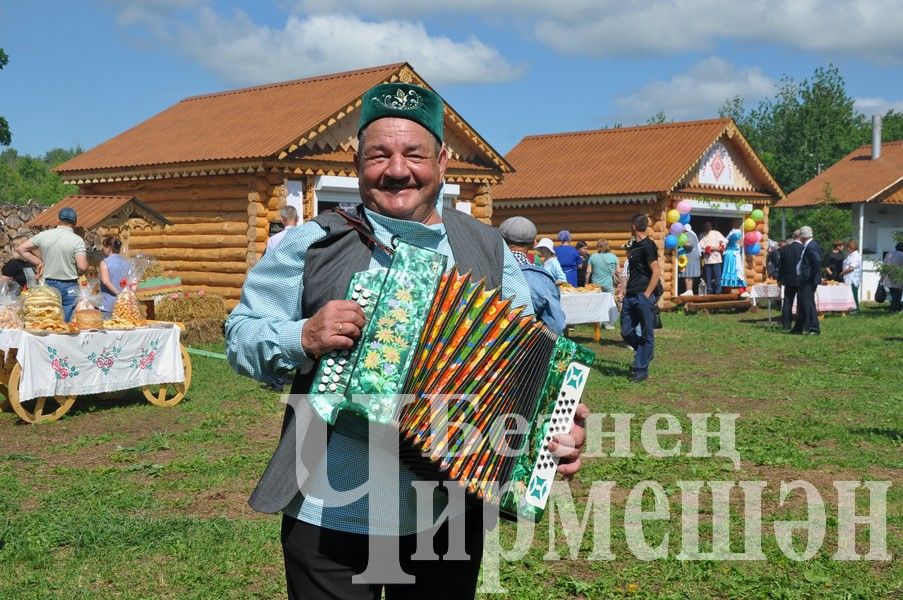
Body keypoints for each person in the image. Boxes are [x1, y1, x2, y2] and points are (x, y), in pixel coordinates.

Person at [225, 82, 588, 599]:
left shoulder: (486, 247)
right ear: (356, 162)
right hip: (331, 508)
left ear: (442, 160)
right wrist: (301, 336)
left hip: (448, 510)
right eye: (379, 154)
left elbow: (532, 366)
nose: (397, 169)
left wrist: (558, 432)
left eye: (414, 153)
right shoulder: (313, 243)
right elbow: (241, 334)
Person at [17, 207, 88, 322]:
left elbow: (21, 248)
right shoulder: (77, 240)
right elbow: (82, 267)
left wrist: (39, 262)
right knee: (68, 321)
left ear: (58, 219)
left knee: (49, 319)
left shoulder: (44, 235)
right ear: (75, 222)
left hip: (48, 284)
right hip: (69, 285)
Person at [498, 216, 566, 334]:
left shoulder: (486, 270)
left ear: (501, 240)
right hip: (528, 348)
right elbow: (556, 325)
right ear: (534, 243)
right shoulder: (542, 278)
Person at [620, 214, 661, 383]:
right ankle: (646, 353)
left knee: (646, 333)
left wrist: (647, 294)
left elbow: (656, 271)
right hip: (630, 294)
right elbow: (632, 271)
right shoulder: (634, 245)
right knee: (626, 331)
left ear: (634, 226)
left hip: (643, 295)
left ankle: (640, 370)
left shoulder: (648, 245)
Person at [586, 239, 620, 330]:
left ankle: (598, 322)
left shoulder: (593, 257)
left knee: (597, 304)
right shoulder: (613, 257)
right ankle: (608, 323)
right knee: (609, 304)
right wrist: (620, 283)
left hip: (596, 285)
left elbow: (588, 272)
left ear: (598, 246)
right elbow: (618, 271)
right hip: (609, 284)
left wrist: (586, 283)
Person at [796, 226, 823, 335]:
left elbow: (817, 261)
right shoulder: (811, 244)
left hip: (808, 280)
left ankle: (814, 328)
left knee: (808, 303)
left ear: (802, 236)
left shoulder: (810, 246)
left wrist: (814, 275)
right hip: (807, 279)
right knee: (804, 302)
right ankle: (802, 326)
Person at [778, 230, 804, 332]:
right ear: (801, 237)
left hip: (788, 280)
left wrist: (779, 279)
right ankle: (799, 325)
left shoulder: (784, 249)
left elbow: (781, 266)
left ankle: (786, 325)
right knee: (801, 303)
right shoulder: (803, 249)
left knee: (787, 302)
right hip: (801, 280)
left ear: (793, 237)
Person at [98, 236, 130, 319]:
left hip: (108, 304)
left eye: (104, 247)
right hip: (125, 304)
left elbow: (106, 281)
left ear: (108, 248)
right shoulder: (126, 262)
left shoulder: (105, 262)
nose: (103, 249)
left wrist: (119, 294)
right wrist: (124, 296)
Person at [698, 221, 726, 295]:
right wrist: (705, 251)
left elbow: (724, 241)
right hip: (707, 257)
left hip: (716, 257)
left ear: (711, 226)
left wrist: (719, 248)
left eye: (709, 226)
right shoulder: (701, 235)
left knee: (717, 275)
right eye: (706, 226)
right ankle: (709, 290)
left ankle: (718, 290)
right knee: (707, 275)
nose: (707, 227)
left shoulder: (716, 233)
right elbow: (699, 247)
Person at [678, 224, 701, 295]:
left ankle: (689, 290)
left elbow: (689, 246)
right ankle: (688, 290)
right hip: (690, 255)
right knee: (687, 273)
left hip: (691, 255)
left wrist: (680, 243)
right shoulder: (690, 233)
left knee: (689, 273)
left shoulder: (689, 234)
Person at [840, 240, 862, 312]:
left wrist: (843, 273)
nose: (847, 249)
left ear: (851, 247)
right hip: (848, 278)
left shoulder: (855, 256)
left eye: (847, 247)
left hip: (853, 278)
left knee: (853, 294)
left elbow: (852, 268)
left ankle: (856, 309)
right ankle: (851, 308)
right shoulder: (850, 255)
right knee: (850, 294)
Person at [882, 241, 903, 312]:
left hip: (889, 278)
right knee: (897, 296)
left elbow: (884, 266)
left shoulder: (889, 254)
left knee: (894, 294)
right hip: (899, 278)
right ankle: (894, 309)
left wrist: (882, 278)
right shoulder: (902, 255)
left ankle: (895, 308)